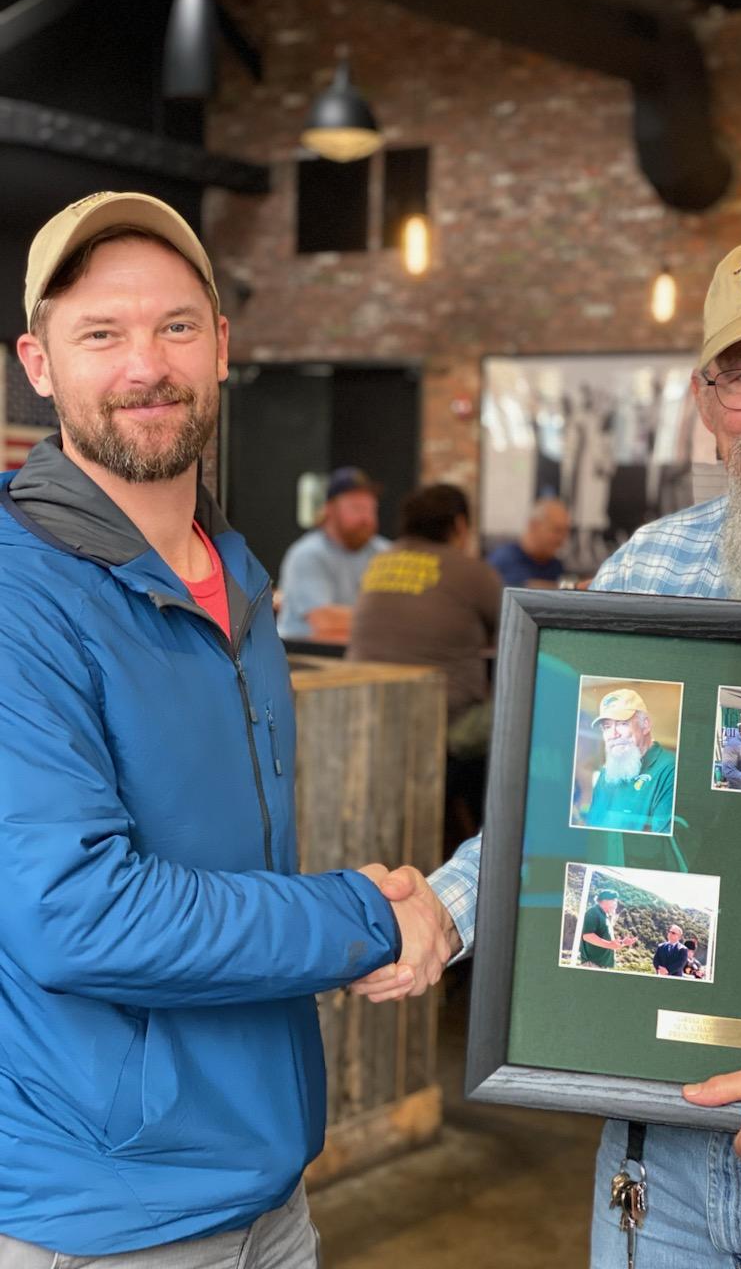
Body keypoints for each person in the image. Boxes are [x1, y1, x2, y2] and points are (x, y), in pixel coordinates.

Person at [357, 234, 741, 1267]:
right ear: (705, 396)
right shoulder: (656, 561)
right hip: (659, 1159)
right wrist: (445, 909)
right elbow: (571, 805)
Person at [1, 191, 457, 1265]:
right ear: (38, 362)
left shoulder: (235, 573)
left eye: (173, 326)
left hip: (266, 1184)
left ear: (221, 347)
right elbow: (77, 913)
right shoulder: (21, 598)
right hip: (104, 1208)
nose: (143, 365)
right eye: (99, 333)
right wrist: (369, 916)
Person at [347, 483, 502, 736]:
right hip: (443, 724)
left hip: (364, 711)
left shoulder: (378, 562)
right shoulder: (472, 572)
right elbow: (515, 633)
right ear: (460, 524)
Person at [276, 465, 388, 643]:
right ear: (329, 509)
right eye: (357, 508)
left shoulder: (384, 552)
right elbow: (324, 620)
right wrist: (393, 620)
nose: (366, 518)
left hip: (357, 653)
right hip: (306, 656)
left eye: (371, 509)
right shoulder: (308, 554)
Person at [583, 688, 676, 833]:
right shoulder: (606, 774)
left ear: (645, 725)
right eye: (607, 727)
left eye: (622, 723)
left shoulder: (670, 769)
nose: (613, 734)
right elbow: (592, 829)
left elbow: (662, 846)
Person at [486, 497, 571, 587]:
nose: (562, 539)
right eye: (557, 530)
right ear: (534, 526)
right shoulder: (502, 561)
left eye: (565, 532)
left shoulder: (556, 567)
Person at [579, 889, 638, 968]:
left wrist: (622, 943)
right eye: (614, 901)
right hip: (593, 964)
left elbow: (606, 941)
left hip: (602, 965)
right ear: (605, 900)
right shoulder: (593, 912)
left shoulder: (605, 916)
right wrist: (610, 945)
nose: (616, 905)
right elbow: (587, 936)